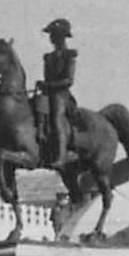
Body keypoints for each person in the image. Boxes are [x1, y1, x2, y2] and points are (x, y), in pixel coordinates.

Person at [39, 17, 78, 167]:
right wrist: (43, 85)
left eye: (54, 35)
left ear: (61, 37)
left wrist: (49, 85)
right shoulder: (48, 57)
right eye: (51, 35)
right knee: (37, 103)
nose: (52, 38)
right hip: (48, 93)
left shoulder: (70, 55)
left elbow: (68, 80)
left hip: (62, 95)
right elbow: (46, 77)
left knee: (57, 117)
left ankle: (62, 155)